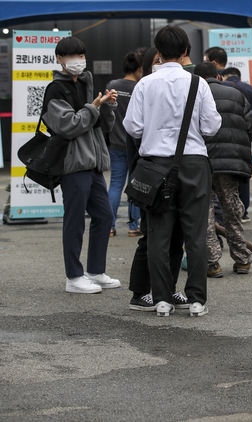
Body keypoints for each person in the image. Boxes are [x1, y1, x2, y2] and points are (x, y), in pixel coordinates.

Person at [124, 25, 222, 317]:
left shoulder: (144, 84)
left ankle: (162, 299)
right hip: (194, 164)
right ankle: (196, 300)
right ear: (185, 52)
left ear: (157, 51)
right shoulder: (197, 83)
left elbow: (133, 127)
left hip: (155, 167)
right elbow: (212, 126)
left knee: (158, 234)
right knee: (194, 234)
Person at [42, 37, 121, 294]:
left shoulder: (86, 82)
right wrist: (93, 107)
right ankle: (73, 277)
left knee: (104, 215)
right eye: (71, 56)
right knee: (74, 221)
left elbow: (100, 125)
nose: (77, 61)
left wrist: (107, 106)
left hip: (93, 162)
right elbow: (68, 125)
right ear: (59, 59)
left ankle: (95, 271)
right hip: (72, 164)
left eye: (80, 55)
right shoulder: (55, 89)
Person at [126, 47, 188, 312]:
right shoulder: (145, 89)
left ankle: (168, 290)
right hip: (151, 172)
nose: (161, 65)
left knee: (176, 236)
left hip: (178, 169)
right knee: (150, 237)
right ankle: (140, 293)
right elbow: (133, 130)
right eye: (156, 61)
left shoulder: (175, 87)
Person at [194, 62, 252, 277]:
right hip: (230, 163)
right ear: (219, 77)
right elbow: (250, 125)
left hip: (201, 161)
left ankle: (212, 262)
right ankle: (242, 260)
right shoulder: (236, 93)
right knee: (232, 209)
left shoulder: (193, 94)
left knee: (205, 211)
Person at [106, 52, 142, 238]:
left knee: (115, 185)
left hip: (115, 144)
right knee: (134, 185)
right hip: (134, 145)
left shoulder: (112, 86)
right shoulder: (140, 87)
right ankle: (133, 226)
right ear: (139, 69)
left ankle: (110, 226)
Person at [221, 66, 252, 223]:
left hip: (224, 138)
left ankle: (224, 212)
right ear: (239, 78)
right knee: (243, 174)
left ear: (223, 77)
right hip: (243, 138)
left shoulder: (221, 88)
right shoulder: (250, 90)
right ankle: (243, 211)